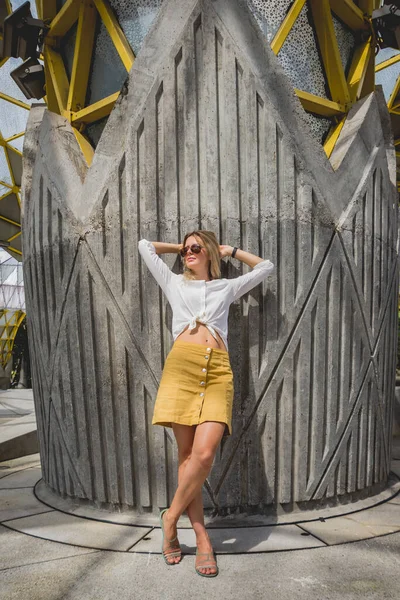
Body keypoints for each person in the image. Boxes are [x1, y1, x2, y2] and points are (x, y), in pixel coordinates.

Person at [137, 230, 274, 577]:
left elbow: (266, 267)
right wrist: (178, 246)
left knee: (204, 455)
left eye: (196, 248)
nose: (188, 253)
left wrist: (233, 250)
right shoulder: (172, 282)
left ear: (210, 252)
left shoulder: (225, 287)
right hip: (181, 368)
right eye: (186, 249)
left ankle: (169, 518)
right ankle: (201, 538)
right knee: (185, 458)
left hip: (217, 373)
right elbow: (144, 246)